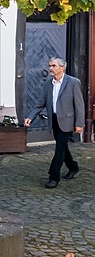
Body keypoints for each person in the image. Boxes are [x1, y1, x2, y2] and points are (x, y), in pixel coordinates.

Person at [24, 57, 84, 189]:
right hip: (54, 120)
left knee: (59, 148)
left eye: (53, 66)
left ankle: (53, 176)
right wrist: (30, 117)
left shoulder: (73, 82)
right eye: (50, 66)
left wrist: (79, 124)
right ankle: (73, 167)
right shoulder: (47, 84)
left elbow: (79, 105)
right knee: (62, 147)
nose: (50, 68)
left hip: (68, 121)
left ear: (62, 68)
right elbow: (40, 103)